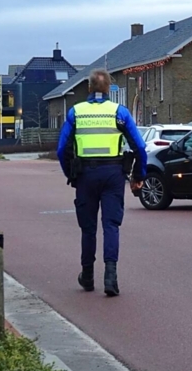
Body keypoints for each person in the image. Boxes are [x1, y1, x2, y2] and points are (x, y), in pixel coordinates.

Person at [57, 69, 147, 297]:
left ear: (89, 88)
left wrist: (71, 174)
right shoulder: (119, 113)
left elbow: (61, 150)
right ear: (108, 89)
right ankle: (110, 277)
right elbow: (140, 147)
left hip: (86, 175)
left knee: (88, 229)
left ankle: (87, 275)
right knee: (111, 226)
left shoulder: (76, 113)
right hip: (113, 175)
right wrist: (139, 176)